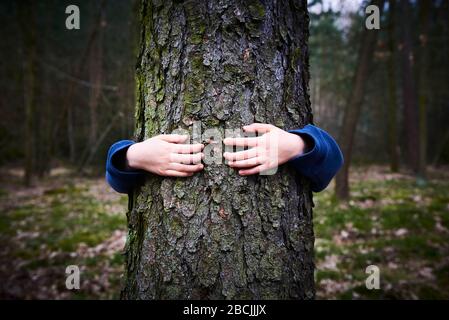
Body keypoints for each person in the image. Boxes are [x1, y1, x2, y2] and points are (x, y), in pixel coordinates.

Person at [106, 123, 343, 194]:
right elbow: (116, 179)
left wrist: (297, 144)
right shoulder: (143, 146)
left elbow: (330, 165)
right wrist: (133, 155)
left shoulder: (298, 142)